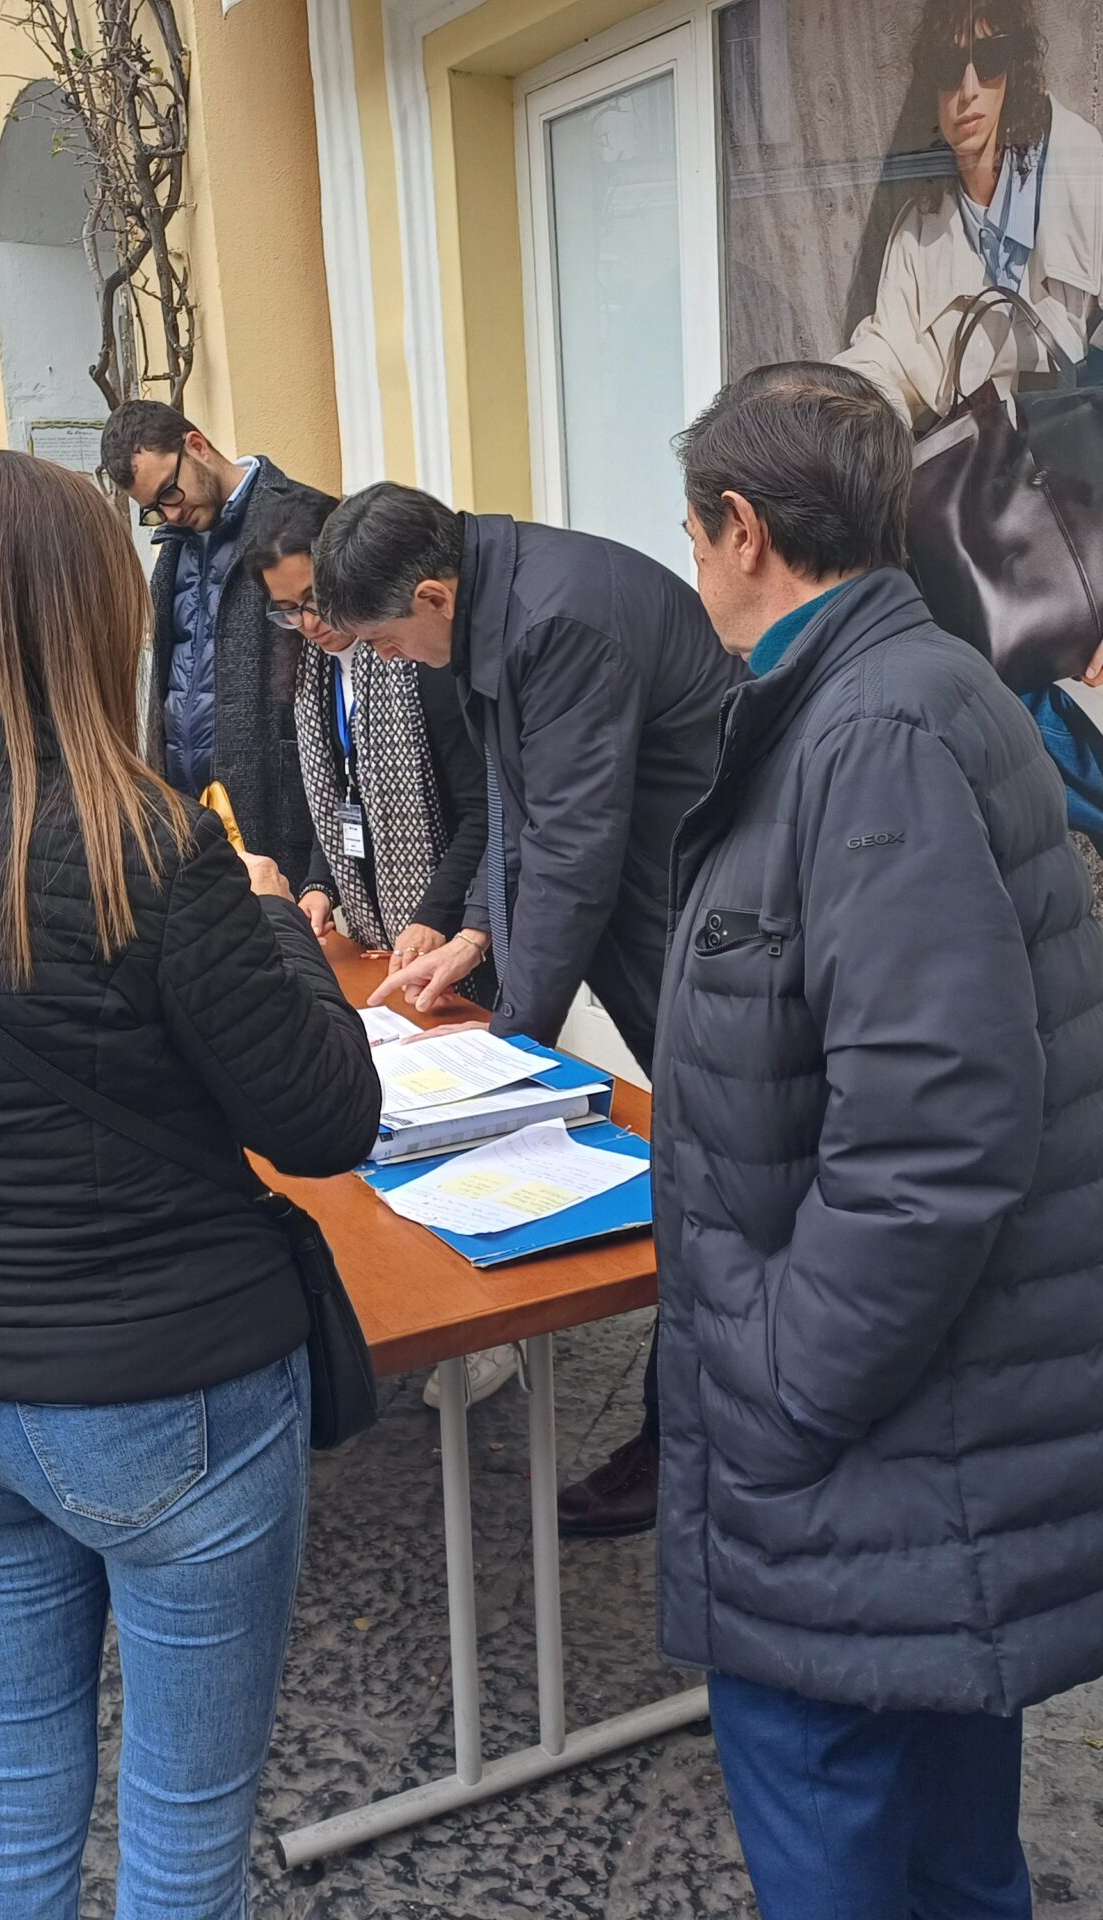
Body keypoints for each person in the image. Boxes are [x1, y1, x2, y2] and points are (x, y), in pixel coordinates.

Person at [0, 449, 380, 1917]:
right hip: (173, 1390)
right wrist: (280, 924)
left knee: (12, 1787)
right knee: (181, 1818)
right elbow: (324, 1118)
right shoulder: (149, 846)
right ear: (90, 613)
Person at [656, 362, 1103, 1917]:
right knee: (953, 1852)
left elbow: (934, 1136)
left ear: (744, 529)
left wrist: (775, 1378)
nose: (695, 568)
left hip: (864, 1457)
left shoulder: (876, 728)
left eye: (695, 536)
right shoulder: (892, 692)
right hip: (914, 1456)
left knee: (857, 1830)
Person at [315, 485, 745, 1534]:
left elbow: (574, 846)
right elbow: (521, 802)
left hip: (698, 917)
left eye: (386, 639)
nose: (394, 661)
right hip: (649, 903)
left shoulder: (559, 619)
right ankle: (694, 1441)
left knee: (714, 1181)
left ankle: (687, 1453)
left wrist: (507, 1056)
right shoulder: (501, 596)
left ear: (430, 592)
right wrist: (474, 935)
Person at [835, 0, 1103, 903]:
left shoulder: (1077, 176)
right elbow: (893, 351)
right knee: (1002, 764)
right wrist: (827, 407)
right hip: (992, 529)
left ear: (1016, 72)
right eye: (948, 72)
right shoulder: (925, 210)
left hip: (1092, 526)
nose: (967, 95)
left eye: (987, 66)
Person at [241, 497, 515, 1409]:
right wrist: (318, 884)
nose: (310, 624)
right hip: (369, 935)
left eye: (316, 599)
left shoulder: (420, 663)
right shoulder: (320, 676)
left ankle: (484, 1325)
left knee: (463, 1130)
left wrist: (441, 914)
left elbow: (485, 810)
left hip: (446, 939)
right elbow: (341, 806)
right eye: (288, 610)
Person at [101, 400, 326, 888]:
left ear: (196, 446)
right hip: (184, 810)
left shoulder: (304, 515)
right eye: (155, 508)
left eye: (170, 491)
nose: (171, 512)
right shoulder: (176, 542)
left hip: (276, 801)